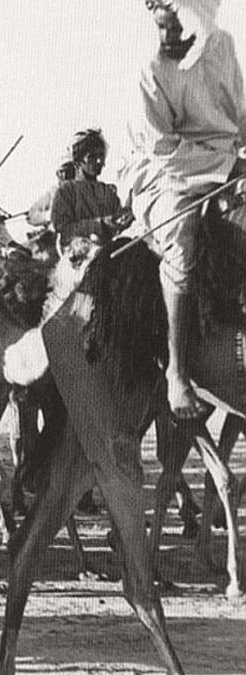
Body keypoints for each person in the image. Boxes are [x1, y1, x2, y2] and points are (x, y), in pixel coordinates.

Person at [121, 0, 246, 419]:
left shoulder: (222, 47)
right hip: (167, 175)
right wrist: (229, 167)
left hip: (225, 166)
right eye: (162, 28)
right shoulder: (150, 69)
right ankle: (178, 371)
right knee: (181, 240)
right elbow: (162, 150)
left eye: (177, 29)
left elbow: (239, 118)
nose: (169, 38)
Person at [50, 129, 124, 250]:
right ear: (78, 160)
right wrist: (99, 225)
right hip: (79, 255)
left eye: (101, 155)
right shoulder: (66, 192)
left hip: (110, 248)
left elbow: (117, 218)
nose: (99, 161)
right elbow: (63, 230)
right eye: (92, 157)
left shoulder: (108, 191)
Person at [26, 159, 76, 229]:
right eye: (60, 173)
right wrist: (50, 215)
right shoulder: (52, 193)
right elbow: (31, 216)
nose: (63, 176)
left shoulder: (84, 191)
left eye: (69, 172)